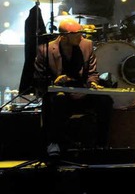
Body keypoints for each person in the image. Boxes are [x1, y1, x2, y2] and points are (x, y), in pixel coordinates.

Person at [34, 17, 113, 156]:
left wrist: (93, 83)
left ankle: (101, 144)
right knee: (59, 100)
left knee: (105, 100)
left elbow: (92, 72)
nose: (81, 36)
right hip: (59, 93)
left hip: (82, 91)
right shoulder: (45, 50)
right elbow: (39, 80)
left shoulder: (86, 45)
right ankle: (54, 143)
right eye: (77, 34)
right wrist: (55, 82)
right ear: (64, 37)